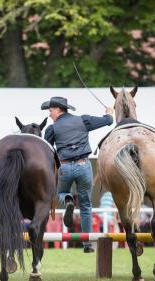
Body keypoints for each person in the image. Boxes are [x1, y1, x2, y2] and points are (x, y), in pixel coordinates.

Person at [43, 96, 114, 253]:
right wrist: (110, 113)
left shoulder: (52, 129)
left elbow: (45, 151)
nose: (49, 114)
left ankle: (68, 200)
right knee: (86, 206)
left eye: (50, 111)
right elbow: (108, 121)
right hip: (84, 166)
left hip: (65, 167)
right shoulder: (83, 120)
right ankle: (87, 244)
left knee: (62, 192)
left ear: (57, 110)